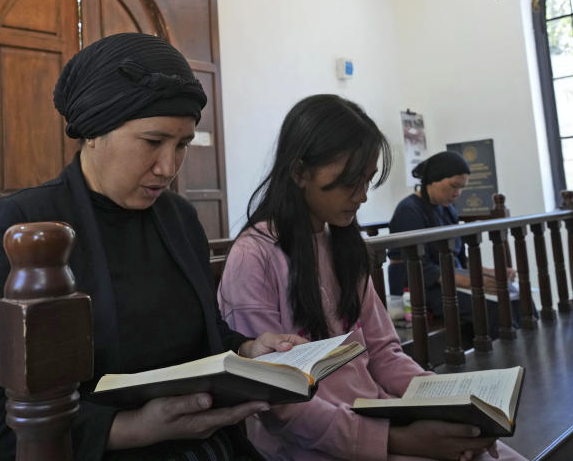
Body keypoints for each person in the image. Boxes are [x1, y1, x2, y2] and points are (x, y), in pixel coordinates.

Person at [0, 32, 305, 460]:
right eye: (153, 142)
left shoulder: (179, 219)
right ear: (94, 131)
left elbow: (198, 339)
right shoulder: (24, 226)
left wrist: (246, 350)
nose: (168, 167)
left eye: (183, 145)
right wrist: (126, 428)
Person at [218, 95, 526, 461]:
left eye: (367, 181)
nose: (363, 196)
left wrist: (456, 410)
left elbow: (384, 353)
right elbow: (280, 404)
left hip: (376, 416)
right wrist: (396, 441)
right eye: (350, 182)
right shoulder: (256, 255)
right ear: (299, 172)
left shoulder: (342, 244)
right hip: (312, 445)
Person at [387, 151, 520, 340]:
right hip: (424, 289)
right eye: (454, 186)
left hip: (452, 282)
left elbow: (458, 257)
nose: (458, 193)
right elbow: (420, 269)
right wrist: (473, 281)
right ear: (433, 180)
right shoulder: (409, 210)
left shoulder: (447, 209)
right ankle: (507, 359)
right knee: (495, 308)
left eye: (462, 188)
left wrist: (488, 272)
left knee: (517, 298)